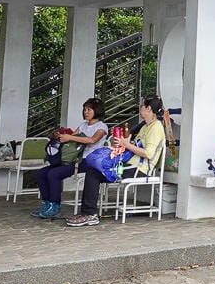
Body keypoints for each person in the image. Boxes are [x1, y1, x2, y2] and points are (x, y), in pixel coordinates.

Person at [66, 95, 165, 227]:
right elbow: (134, 146)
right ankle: (88, 213)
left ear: (149, 109)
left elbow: (148, 153)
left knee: (94, 173)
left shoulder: (156, 128)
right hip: (129, 163)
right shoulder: (146, 126)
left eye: (142, 106)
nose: (140, 108)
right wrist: (121, 145)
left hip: (138, 169)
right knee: (93, 171)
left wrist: (127, 144)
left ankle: (90, 214)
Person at [31, 98, 107, 220]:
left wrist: (70, 138)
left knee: (54, 174)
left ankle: (55, 207)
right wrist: (60, 136)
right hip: (74, 159)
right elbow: (70, 138)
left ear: (97, 110)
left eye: (89, 109)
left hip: (88, 161)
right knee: (41, 173)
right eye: (84, 109)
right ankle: (47, 204)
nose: (86, 112)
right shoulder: (83, 125)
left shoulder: (102, 127)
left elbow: (92, 140)